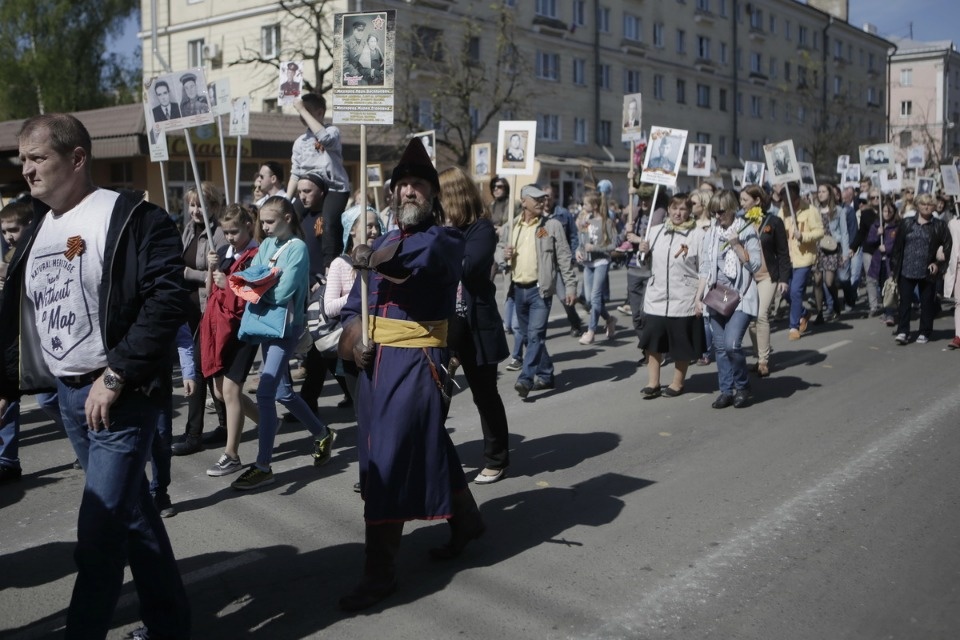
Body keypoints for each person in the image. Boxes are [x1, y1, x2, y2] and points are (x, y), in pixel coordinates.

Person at [3, 113, 191, 638]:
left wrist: (116, 375)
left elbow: (168, 296)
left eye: (38, 158)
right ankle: (170, 626)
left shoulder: (132, 216)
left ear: (77, 159)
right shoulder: (38, 228)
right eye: (23, 160)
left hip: (119, 394)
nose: (27, 171)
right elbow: (22, 317)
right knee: (132, 517)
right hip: (68, 396)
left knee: (101, 528)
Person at [337, 139, 484, 611]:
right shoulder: (378, 241)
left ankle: (378, 574)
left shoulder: (444, 239)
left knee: (388, 459)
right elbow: (352, 309)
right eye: (402, 186)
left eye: (418, 185)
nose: (408, 193)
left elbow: (414, 262)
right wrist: (353, 339)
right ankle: (466, 520)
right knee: (426, 444)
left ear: (433, 194)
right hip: (376, 364)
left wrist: (370, 258)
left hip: (417, 363)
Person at [231, 196, 337, 490]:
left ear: (288, 219)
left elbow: (281, 291)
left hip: (286, 327)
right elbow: (256, 279)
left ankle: (263, 466)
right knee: (280, 390)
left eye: (269, 222)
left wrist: (258, 285)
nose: (263, 228)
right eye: (262, 222)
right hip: (268, 325)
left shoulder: (298, 248)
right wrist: (261, 282)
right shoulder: (266, 245)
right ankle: (322, 433)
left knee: (265, 393)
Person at [438, 167, 511, 484]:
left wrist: (440, 241)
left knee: (484, 395)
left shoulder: (481, 230)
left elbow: (466, 267)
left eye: (439, 197)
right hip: (443, 325)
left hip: (474, 326)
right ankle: (434, 459)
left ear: (452, 198)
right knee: (435, 397)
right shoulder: (441, 230)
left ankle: (497, 458)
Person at [202, 204, 262, 477]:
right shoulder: (226, 253)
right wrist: (211, 271)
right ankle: (265, 420)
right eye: (225, 232)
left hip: (243, 330)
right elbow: (210, 293)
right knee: (219, 392)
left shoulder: (255, 256)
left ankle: (232, 454)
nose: (229, 237)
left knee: (230, 391)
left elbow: (253, 296)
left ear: (248, 225)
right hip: (220, 329)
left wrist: (228, 284)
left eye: (234, 231)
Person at [502, 184, 577, 397]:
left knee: (535, 335)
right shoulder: (511, 226)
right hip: (517, 289)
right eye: (535, 198)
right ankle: (546, 373)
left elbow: (564, 257)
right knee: (528, 337)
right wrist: (503, 255)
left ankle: (526, 378)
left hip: (539, 291)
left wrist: (570, 286)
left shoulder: (551, 226)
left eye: (543, 198)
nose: (541, 202)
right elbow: (499, 252)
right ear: (523, 201)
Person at [170, 182, 229, 455]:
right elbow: (180, 265)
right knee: (208, 368)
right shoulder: (189, 230)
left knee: (198, 368)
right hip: (189, 310)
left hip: (208, 311)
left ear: (213, 207)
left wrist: (188, 274)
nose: (195, 211)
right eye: (192, 205)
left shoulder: (218, 235)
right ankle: (225, 425)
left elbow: (214, 279)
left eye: (200, 206)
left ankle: (193, 434)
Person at [635, 193, 706, 398]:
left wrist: (699, 297)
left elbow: (704, 269)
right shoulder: (655, 231)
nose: (678, 213)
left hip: (683, 298)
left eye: (683, 209)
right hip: (656, 298)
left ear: (689, 211)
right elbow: (644, 264)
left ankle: (677, 382)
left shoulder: (698, 235)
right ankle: (653, 382)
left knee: (681, 344)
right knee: (653, 342)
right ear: (668, 209)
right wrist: (643, 252)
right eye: (674, 208)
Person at [697, 190, 762, 409]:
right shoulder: (712, 234)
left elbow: (754, 266)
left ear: (732, 208)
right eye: (713, 212)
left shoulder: (747, 230)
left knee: (733, 345)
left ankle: (742, 386)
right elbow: (706, 267)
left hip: (741, 295)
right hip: (717, 295)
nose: (717, 216)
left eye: (721, 211)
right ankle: (726, 390)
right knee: (721, 348)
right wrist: (698, 298)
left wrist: (736, 243)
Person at [890, 193, 952, 345]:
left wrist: (938, 264)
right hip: (907, 269)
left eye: (929, 204)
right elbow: (897, 248)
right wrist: (894, 269)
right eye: (923, 204)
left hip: (927, 271)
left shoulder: (939, 225)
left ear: (933, 207)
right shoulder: (906, 223)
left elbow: (948, 247)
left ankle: (925, 331)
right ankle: (903, 331)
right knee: (904, 303)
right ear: (917, 205)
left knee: (926, 303)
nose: (926, 207)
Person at [741, 186, 790, 377]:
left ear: (757, 201)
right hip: (748, 278)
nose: (742, 204)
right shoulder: (742, 223)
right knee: (752, 321)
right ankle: (758, 354)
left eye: (745, 200)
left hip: (768, 276)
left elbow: (783, 253)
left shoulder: (774, 222)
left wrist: (784, 279)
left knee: (761, 315)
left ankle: (763, 361)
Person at [289, 94, 352, 223]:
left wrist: (301, 109)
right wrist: (286, 200)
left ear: (320, 113)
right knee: (291, 219)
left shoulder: (332, 131)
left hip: (334, 189)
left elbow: (325, 139)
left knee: (328, 224)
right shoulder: (300, 141)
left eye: (306, 112)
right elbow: (295, 173)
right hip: (309, 190)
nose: (302, 115)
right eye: (301, 113)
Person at [779, 182, 823, 340]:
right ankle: (804, 312)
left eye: (788, 198)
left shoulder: (810, 210)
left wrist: (803, 236)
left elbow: (820, 232)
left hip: (804, 258)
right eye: (783, 198)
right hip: (787, 258)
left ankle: (794, 326)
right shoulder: (782, 210)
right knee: (785, 291)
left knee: (796, 291)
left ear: (796, 197)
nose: (785, 202)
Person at [576, 192, 618, 344]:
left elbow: (614, 245)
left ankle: (591, 331)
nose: (583, 207)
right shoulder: (587, 220)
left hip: (601, 262)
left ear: (594, 205)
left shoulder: (607, 222)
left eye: (586, 204)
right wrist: (578, 251)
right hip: (588, 263)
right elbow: (582, 241)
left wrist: (595, 248)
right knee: (589, 299)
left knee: (594, 297)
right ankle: (609, 319)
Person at [812, 182, 849, 324]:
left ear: (830, 194)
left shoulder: (839, 211)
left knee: (828, 282)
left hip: (832, 248)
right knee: (817, 281)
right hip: (817, 249)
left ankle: (835, 306)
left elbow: (844, 233)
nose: (820, 194)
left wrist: (845, 253)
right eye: (819, 191)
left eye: (823, 191)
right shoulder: (814, 210)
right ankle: (820, 312)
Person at [864, 198, 901, 327]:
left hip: (890, 262)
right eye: (884, 211)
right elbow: (869, 241)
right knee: (881, 287)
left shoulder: (897, 227)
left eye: (889, 211)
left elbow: (898, 244)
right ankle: (886, 310)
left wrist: (888, 248)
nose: (886, 213)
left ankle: (890, 313)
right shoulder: (876, 225)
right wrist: (877, 234)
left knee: (889, 286)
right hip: (879, 262)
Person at [941, 212, 960, 349]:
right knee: (959, 302)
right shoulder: (953, 224)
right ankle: (958, 335)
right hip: (958, 267)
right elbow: (947, 243)